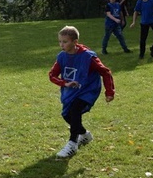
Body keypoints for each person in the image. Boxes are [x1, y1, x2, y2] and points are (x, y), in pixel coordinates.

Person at [49, 26, 115, 158]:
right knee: (67, 115)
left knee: (75, 110)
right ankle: (85, 135)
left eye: (65, 41)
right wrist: (64, 83)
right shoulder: (62, 56)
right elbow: (52, 75)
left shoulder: (88, 57)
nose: (62, 44)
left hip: (88, 89)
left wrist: (109, 92)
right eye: (60, 41)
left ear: (75, 42)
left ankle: (72, 143)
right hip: (71, 91)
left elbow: (105, 72)